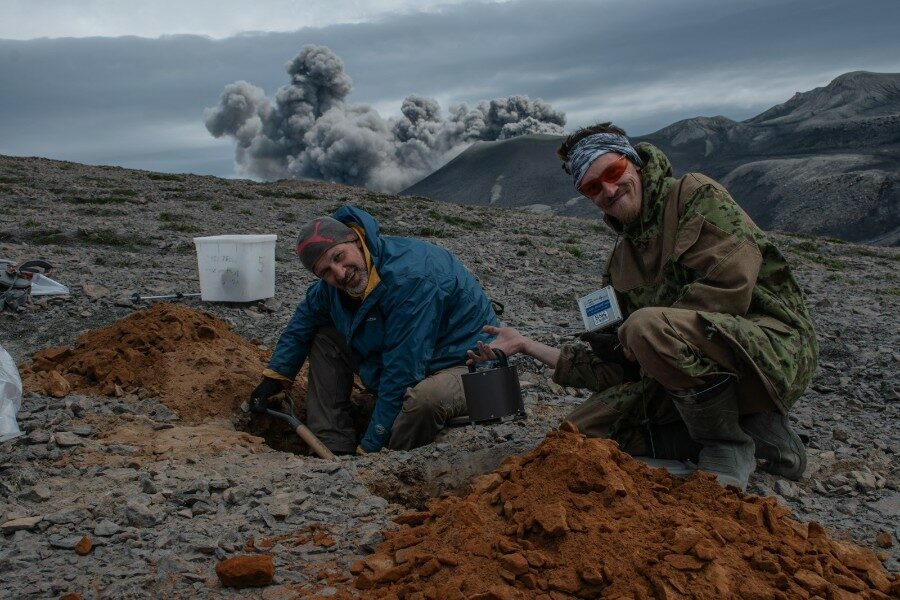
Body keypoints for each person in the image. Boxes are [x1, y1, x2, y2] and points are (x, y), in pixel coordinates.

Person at [469, 123, 818, 490]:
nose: (608, 189)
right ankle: (763, 438)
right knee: (577, 439)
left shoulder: (695, 195)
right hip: (681, 368)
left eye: (613, 172)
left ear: (633, 163)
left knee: (644, 327)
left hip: (770, 349)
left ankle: (726, 444)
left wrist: (641, 338)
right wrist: (525, 345)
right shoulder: (618, 265)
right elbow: (617, 366)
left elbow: (729, 289)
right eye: (592, 187)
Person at [250, 205, 498, 455]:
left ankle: (390, 462)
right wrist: (274, 379)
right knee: (325, 339)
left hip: (471, 366)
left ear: (355, 240)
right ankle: (332, 445)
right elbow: (302, 323)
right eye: (325, 271)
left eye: (339, 257)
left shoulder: (410, 279)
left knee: (424, 399)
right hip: (423, 359)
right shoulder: (333, 287)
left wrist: (370, 447)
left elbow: (403, 370)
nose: (340, 273)